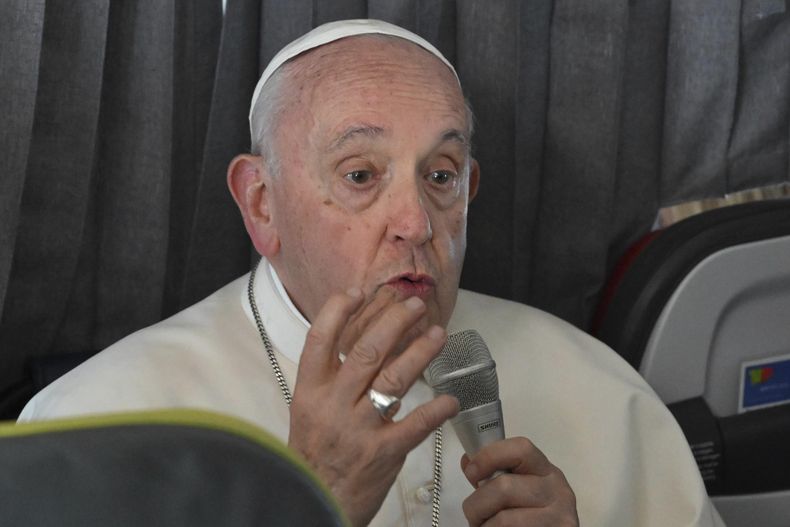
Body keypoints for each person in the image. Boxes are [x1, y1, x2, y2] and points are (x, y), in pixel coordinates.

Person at [19, 19, 724, 527]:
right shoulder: (95, 425)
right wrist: (310, 500)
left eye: (440, 175)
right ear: (262, 204)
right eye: (361, 174)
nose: (416, 222)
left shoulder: (600, 389)